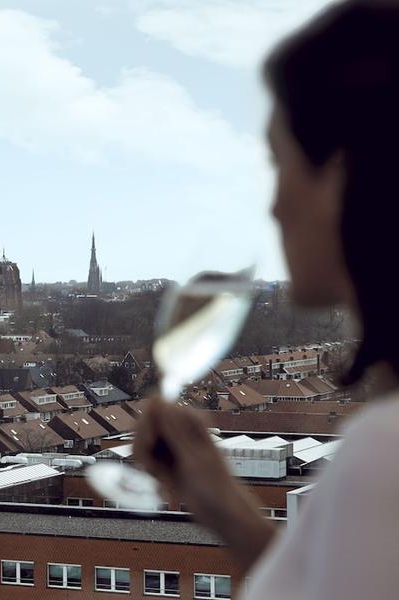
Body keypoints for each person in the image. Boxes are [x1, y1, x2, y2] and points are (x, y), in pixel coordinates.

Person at [133, 1, 399, 598]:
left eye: (280, 164)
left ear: (341, 177)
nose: (275, 206)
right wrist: (225, 507)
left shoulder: (383, 457)